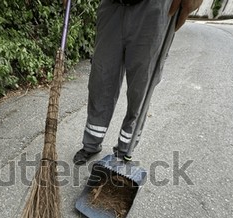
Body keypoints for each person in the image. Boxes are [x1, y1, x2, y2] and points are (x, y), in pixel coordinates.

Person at [73, 0, 203, 165]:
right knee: (101, 79)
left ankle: (124, 151)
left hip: (154, 9)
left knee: (140, 88)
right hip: (112, 6)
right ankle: (91, 144)